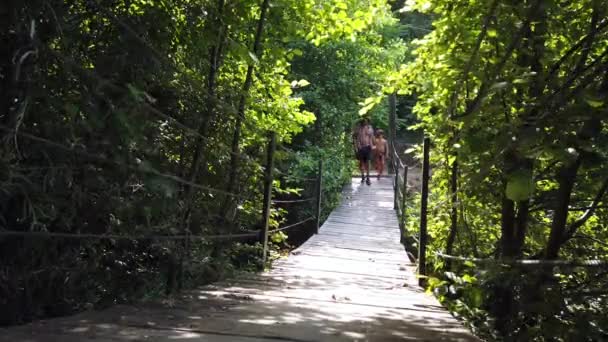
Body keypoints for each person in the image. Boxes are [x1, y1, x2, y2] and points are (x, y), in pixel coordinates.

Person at [353, 117, 374, 185]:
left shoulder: (369, 127)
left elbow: (370, 134)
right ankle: (363, 176)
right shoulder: (358, 128)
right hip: (360, 148)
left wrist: (368, 126)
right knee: (361, 163)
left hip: (368, 147)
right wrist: (356, 147)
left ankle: (368, 178)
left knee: (368, 162)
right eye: (363, 121)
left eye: (366, 121)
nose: (365, 122)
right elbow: (354, 137)